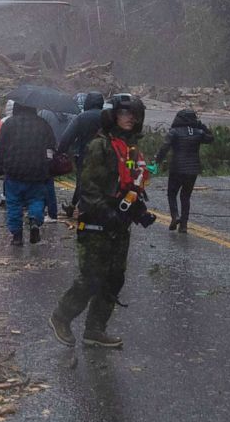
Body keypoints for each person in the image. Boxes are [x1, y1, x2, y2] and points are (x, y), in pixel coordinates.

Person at [49, 95, 156, 348]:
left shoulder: (130, 149)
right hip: (96, 224)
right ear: (113, 115)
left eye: (135, 114)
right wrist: (106, 213)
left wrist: (138, 211)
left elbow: (130, 186)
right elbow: (89, 188)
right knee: (91, 278)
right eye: (125, 113)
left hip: (119, 226)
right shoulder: (101, 146)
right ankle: (61, 317)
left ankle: (95, 329)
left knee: (114, 278)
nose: (130, 118)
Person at [0, 102, 55, 245]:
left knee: (14, 202)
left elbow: (0, 147)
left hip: (13, 170)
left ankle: (17, 236)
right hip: (37, 171)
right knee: (36, 199)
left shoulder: (9, 124)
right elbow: (51, 146)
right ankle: (34, 220)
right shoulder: (43, 124)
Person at [154, 109, 213, 232]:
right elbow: (211, 138)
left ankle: (175, 216)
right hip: (193, 169)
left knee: (172, 193)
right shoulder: (199, 132)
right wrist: (202, 125)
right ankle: (184, 225)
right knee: (185, 197)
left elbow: (164, 147)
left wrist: (157, 161)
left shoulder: (174, 132)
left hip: (177, 168)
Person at [57, 92, 105, 218]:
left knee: (82, 183)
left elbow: (67, 137)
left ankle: (77, 209)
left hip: (85, 156)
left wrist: (61, 151)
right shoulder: (109, 117)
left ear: (87, 103)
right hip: (106, 157)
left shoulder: (81, 117)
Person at [39, 108, 74, 221]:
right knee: (48, 182)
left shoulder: (43, 114)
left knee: (44, 183)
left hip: (43, 153)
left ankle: (48, 211)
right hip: (55, 152)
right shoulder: (68, 115)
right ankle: (50, 211)